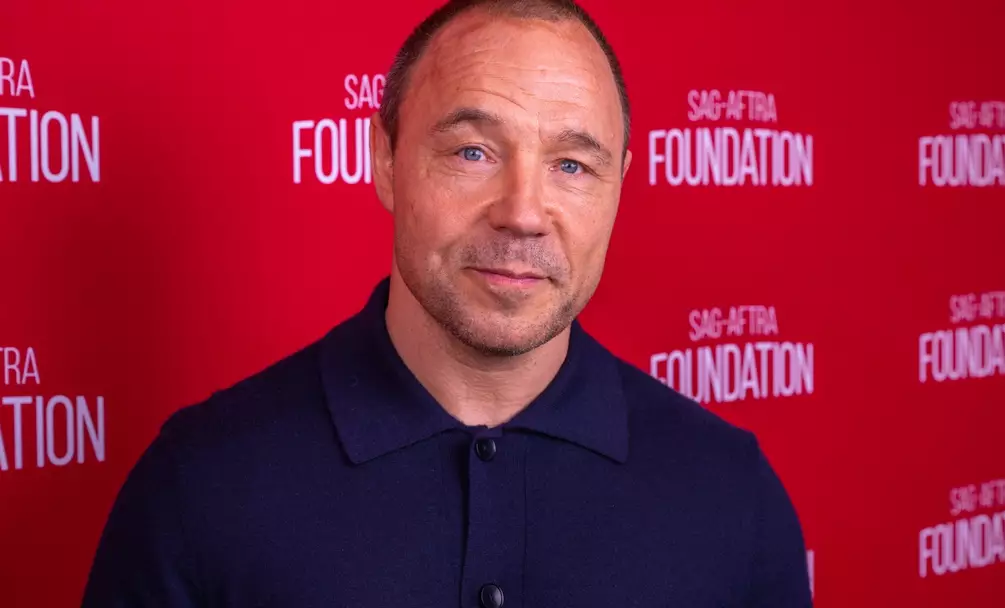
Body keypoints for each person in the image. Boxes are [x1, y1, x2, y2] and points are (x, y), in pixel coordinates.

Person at [82, 0, 812, 606]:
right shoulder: (201, 484)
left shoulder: (731, 493)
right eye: (473, 153)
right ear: (385, 161)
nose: (522, 213)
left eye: (571, 165)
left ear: (619, 184)